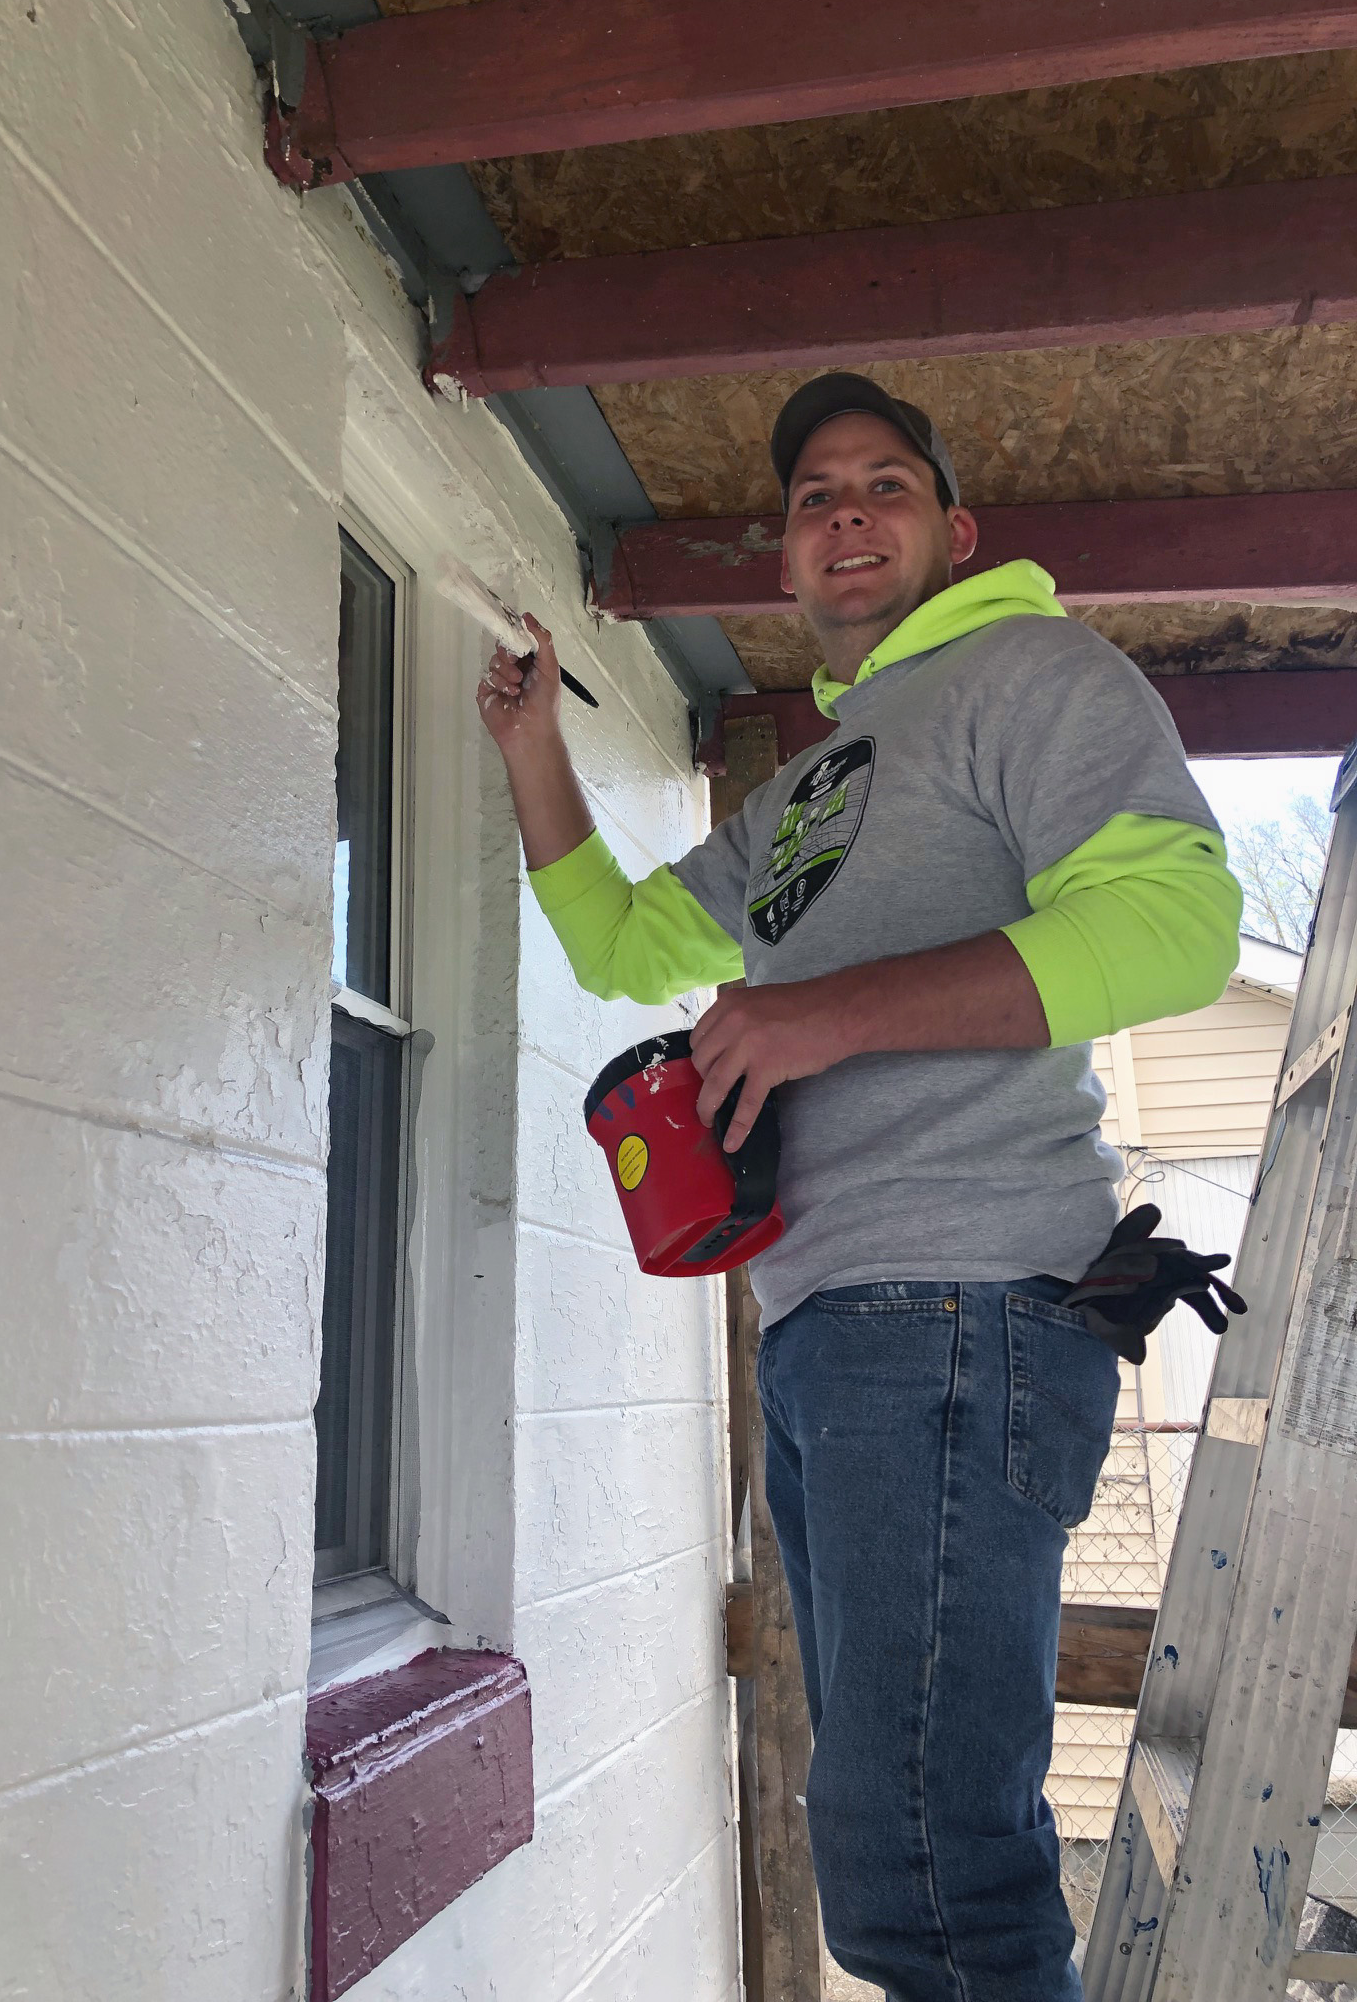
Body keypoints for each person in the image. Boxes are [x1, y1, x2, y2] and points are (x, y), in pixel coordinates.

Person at [476, 372, 1242, 2002]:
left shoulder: (1029, 672)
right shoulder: (814, 786)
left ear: (954, 535)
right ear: (788, 566)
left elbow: (1177, 926)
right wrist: (534, 745)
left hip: (963, 1306)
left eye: (883, 484)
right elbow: (622, 943)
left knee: (923, 1870)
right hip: (831, 1330)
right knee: (897, 1862)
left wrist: (823, 1017)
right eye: (815, 494)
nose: (843, 510)